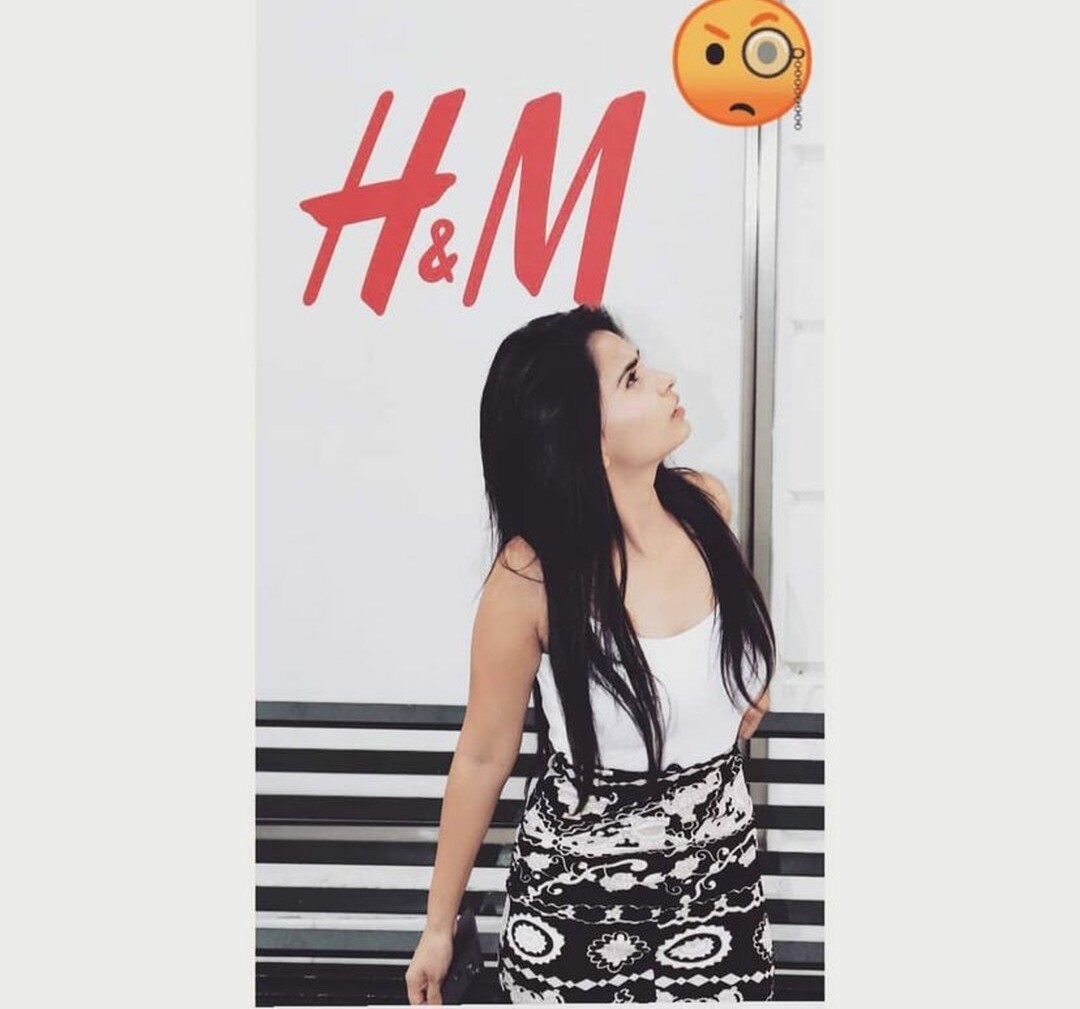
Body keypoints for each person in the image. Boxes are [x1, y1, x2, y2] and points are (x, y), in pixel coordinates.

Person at [405, 304, 776, 1004]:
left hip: (719, 893)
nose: (665, 380)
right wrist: (436, 928)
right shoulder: (530, 579)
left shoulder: (706, 508)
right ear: (584, 437)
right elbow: (483, 755)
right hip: (576, 915)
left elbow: (732, 641)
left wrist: (746, 684)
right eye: (633, 377)